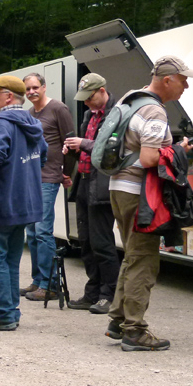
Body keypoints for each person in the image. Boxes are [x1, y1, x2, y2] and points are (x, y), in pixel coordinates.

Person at [106, 55, 193, 352]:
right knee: (144, 259)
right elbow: (148, 158)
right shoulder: (155, 112)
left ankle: (118, 320)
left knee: (132, 254)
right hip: (139, 194)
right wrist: (178, 152)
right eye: (183, 80)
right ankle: (134, 330)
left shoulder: (131, 99)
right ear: (168, 80)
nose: (185, 86)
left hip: (118, 188)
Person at [0, 75, 47, 330]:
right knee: (10, 260)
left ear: (9, 97)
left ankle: (2, 313)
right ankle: (11, 311)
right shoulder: (30, 122)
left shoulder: (2, 121)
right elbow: (43, 154)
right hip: (23, 203)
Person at [63, 74, 120, 314]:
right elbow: (87, 151)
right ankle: (92, 292)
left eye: (90, 97)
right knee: (85, 241)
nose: (86, 103)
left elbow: (113, 149)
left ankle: (110, 295)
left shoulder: (117, 113)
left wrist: (84, 143)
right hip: (85, 182)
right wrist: (73, 149)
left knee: (102, 242)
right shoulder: (89, 115)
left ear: (103, 91)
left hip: (103, 186)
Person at [20, 72, 75, 302]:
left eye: (35, 87)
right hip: (31, 178)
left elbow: (70, 142)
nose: (31, 92)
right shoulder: (29, 114)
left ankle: (50, 285)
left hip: (50, 177)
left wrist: (67, 172)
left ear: (44, 86)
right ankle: (37, 281)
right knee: (31, 232)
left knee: (43, 230)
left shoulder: (58, 108)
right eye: (27, 89)